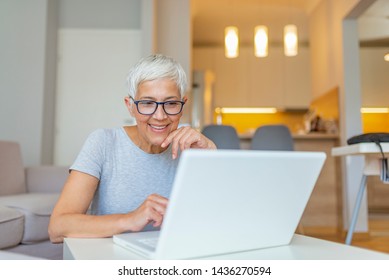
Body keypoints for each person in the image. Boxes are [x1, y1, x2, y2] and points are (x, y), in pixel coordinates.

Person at [48, 54, 216, 243]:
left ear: (182, 105)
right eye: (147, 103)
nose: (159, 116)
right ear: (130, 106)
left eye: (170, 103)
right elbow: (57, 228)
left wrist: (212, 159)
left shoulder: (194, 149)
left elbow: (222, 221)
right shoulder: (103, 143)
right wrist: (130, 219)